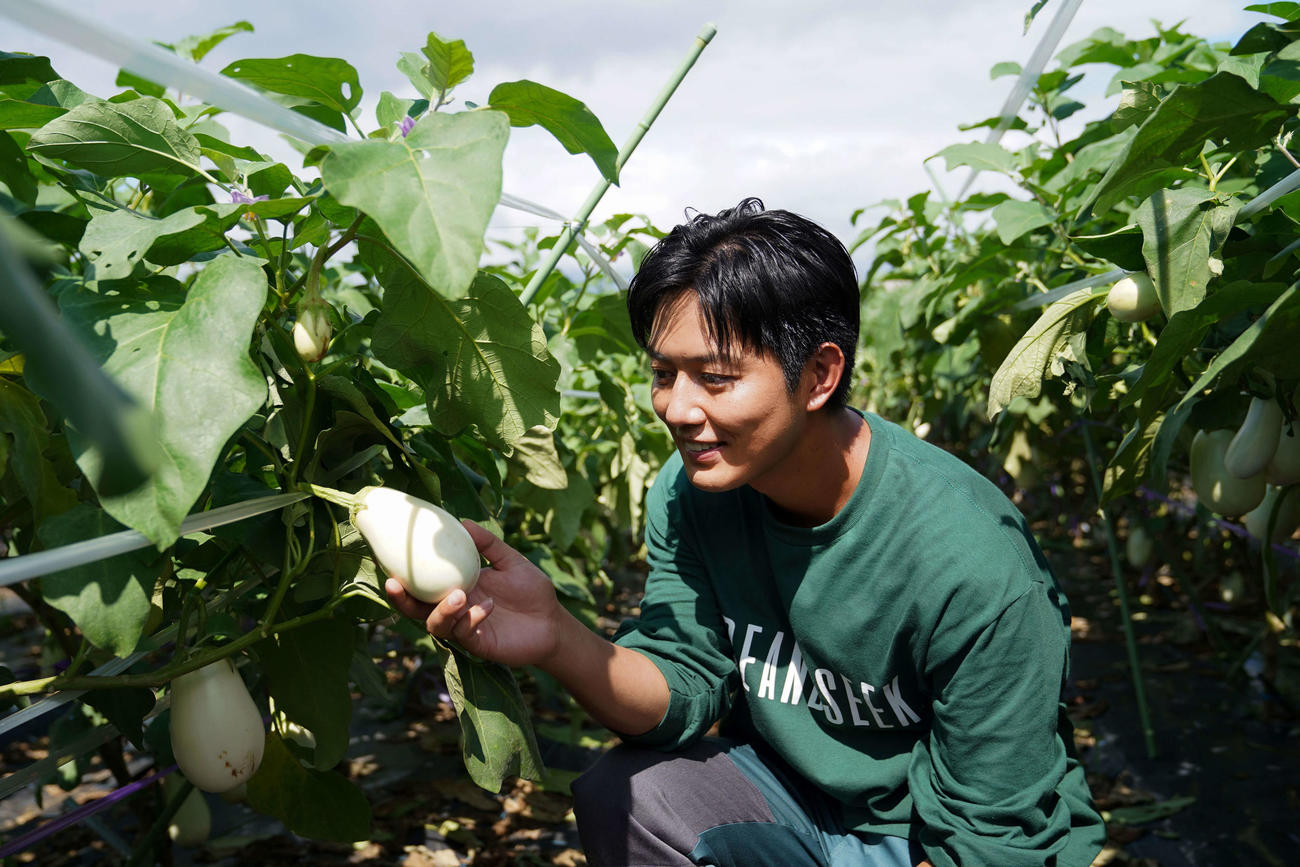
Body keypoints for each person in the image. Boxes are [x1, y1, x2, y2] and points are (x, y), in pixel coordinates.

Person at [385, 198, 1106, 866]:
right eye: (664, 373)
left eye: (716, 377)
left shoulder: (969, 560)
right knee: (628, 793)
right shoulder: (692, 493)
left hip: (930, 834)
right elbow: (683, 687)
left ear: (819, 375)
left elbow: (992, 832)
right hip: (790, 800)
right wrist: (556, 637)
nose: (677, 408)